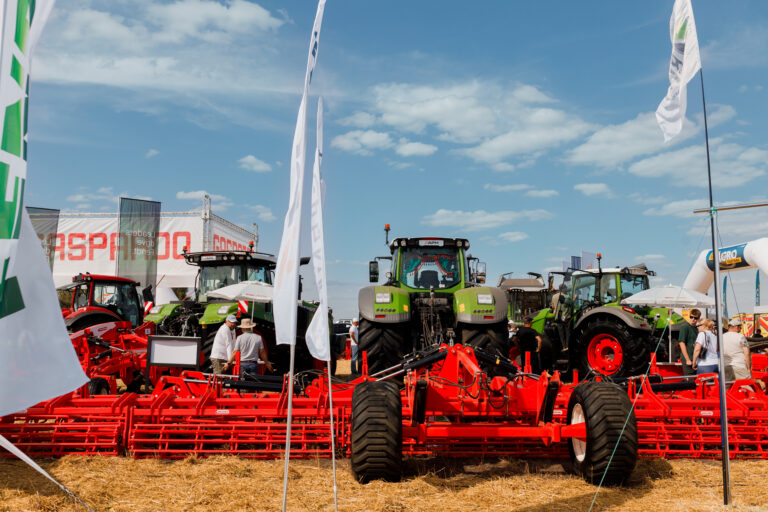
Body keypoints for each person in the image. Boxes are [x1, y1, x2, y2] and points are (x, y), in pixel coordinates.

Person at [678, 309, 701, 376]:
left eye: (695, 318)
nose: (693, 319)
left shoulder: (697, 329)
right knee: (689, 379)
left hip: (696, 359)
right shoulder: (685, 328)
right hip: (688, 358)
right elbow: (681, 343)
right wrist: (687, 359)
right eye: (691, 317)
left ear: (698, 319)